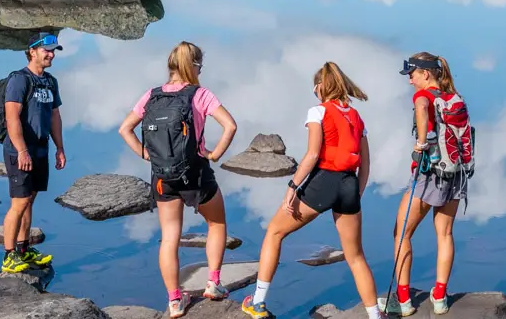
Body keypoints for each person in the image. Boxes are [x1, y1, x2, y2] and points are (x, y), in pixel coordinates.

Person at [243, 62, 382, 319]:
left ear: (321, 86)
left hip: (323, 182)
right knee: (355, 256)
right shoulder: (356, 117)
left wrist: (292, 187)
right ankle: (375, 315)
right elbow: (366, 164)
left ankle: (257, 303)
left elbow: (313, 154)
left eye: (314, 86)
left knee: (274, 232)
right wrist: (356, 194)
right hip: (349, 184)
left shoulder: (318, 111)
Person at [118, 41, 240, 318]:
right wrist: (215, 154)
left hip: (164, 176)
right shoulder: (200, 94)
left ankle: (175, 301)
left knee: (169, 237)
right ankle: (213, 284)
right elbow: (230, 125)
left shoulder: (152, 95)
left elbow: (125, 129)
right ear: (194, 65)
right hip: (196, 172)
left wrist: (146, 154)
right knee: (217, 223)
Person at [387, 53, 473, 316]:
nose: (410, 81)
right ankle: (439, 298)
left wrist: (420, 144)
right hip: (456, 174)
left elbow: (422, 108)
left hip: (430, 175)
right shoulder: (453, 98)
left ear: (426, 73)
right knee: (445, 234)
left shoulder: (424, 96)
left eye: (412, 75)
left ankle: (403, 301)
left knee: (401, 233)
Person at [0, 32, 66, 274]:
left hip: (40, 149)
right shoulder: (20, 80)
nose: (51, 54)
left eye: (53, 50)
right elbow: (11, 118)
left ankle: (23, 250)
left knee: (29, 202)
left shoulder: (50, 82)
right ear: (32, 51)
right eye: (46, 50)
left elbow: (55, 116)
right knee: (18, 203)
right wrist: (22, 151)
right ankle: (9, 256)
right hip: (20, 151)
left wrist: (59, 148)